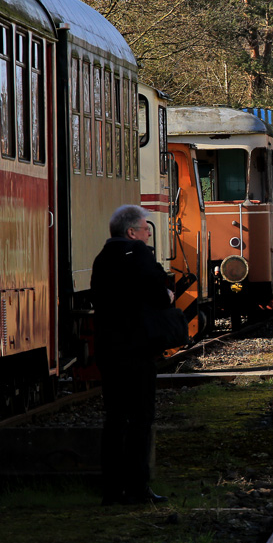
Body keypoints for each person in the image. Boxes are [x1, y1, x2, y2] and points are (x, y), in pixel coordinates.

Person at [91, 204, 172, 505]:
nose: (148, 236)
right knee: (140, 418)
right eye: (145, 231)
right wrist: (167, 295)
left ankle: (112, 490)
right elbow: (158, 293)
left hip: (108, 349)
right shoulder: (138, 254)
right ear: (131, 232)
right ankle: (138, 487)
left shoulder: (101, 259)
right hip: (137, 350)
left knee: (114, 419)